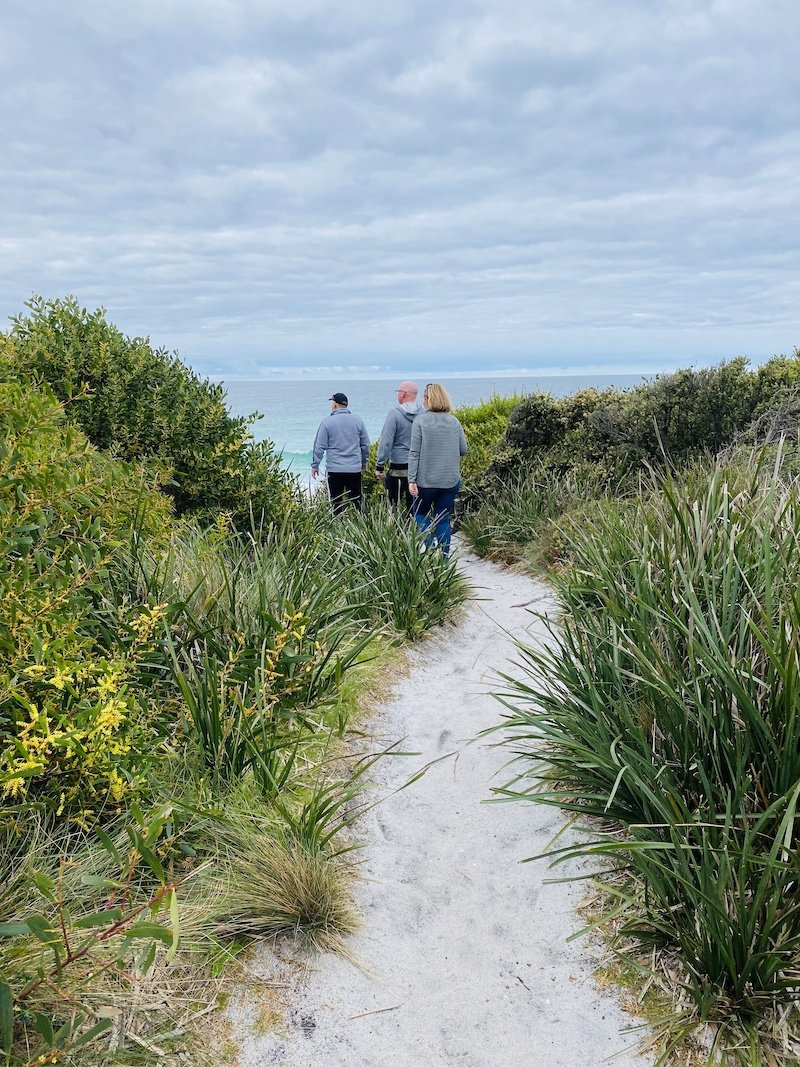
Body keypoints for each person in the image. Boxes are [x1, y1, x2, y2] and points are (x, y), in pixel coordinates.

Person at [408, 383, 468, 557]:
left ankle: (428, 549)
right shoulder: (454, 421)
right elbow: (463, 449)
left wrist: (411, 479)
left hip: (425, 481)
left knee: (420, 513)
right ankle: (443, 558)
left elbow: (414, 452)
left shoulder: (420, 421)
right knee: (443, 518)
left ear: (428, 399)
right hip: (449, 480)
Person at [311, 392, 370, 513]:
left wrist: (315, 465)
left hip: (335, 469)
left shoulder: (327, 422)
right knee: (357, 502)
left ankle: (338, 528)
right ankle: (360, 528)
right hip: (354, 469)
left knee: (336, 503)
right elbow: (365, 445)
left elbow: (319, 446)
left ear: (335, 405)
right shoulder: (358, 421)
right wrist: (364, 463)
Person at [375, 380, 423, 511]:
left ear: (403, 394)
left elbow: (386, 441)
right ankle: (413, 530)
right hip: (418, 467)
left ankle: (395, 530)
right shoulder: (423, 413)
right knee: (414, 507)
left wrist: (380, 465)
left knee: (393, 506)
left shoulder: (394, 413)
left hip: (398, 468)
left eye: (398, 392)